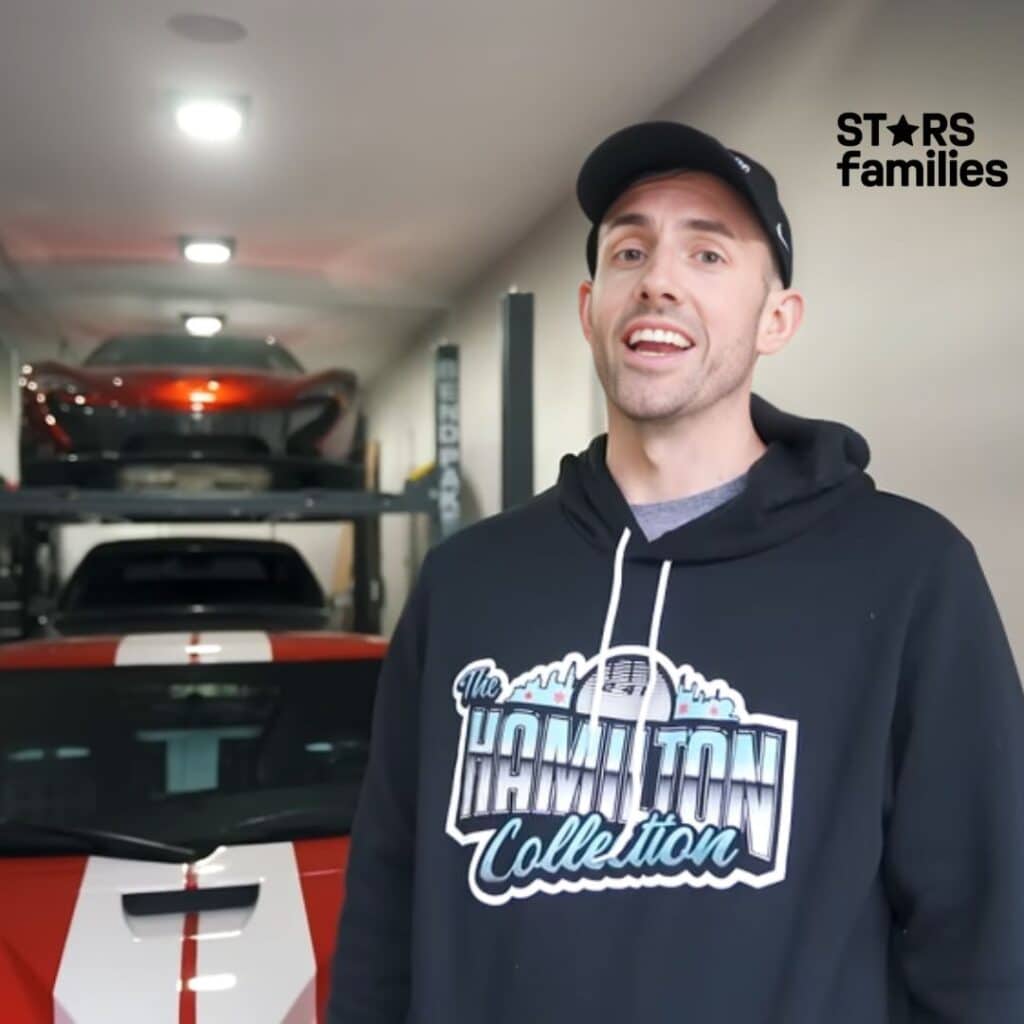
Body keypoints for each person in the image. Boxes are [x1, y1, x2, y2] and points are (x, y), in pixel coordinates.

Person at [327, 121, 1024, 1023]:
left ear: (777, 319)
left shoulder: (909, 574)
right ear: (590, 308)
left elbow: (987, 938)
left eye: (707, 253)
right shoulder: (466, 585)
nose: (658, 279)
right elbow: (387, 903)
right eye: (629, 250)